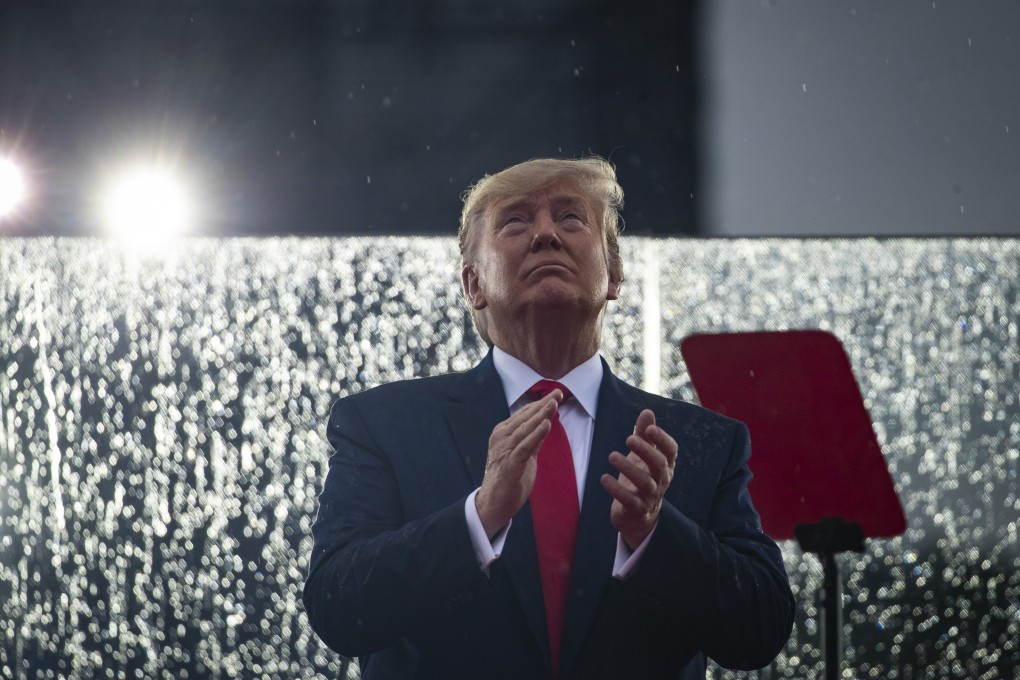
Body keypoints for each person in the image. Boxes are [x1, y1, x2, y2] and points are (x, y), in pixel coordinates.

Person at [303, 157, 794, 679]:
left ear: (615, 275)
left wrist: (654, 534)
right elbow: (338, 607)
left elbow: (760, 631)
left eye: (570, 218)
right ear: (473, 285)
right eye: (515, 221)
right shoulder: (384, 424)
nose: (545, 234)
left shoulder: (701, 442)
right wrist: (479, 517)